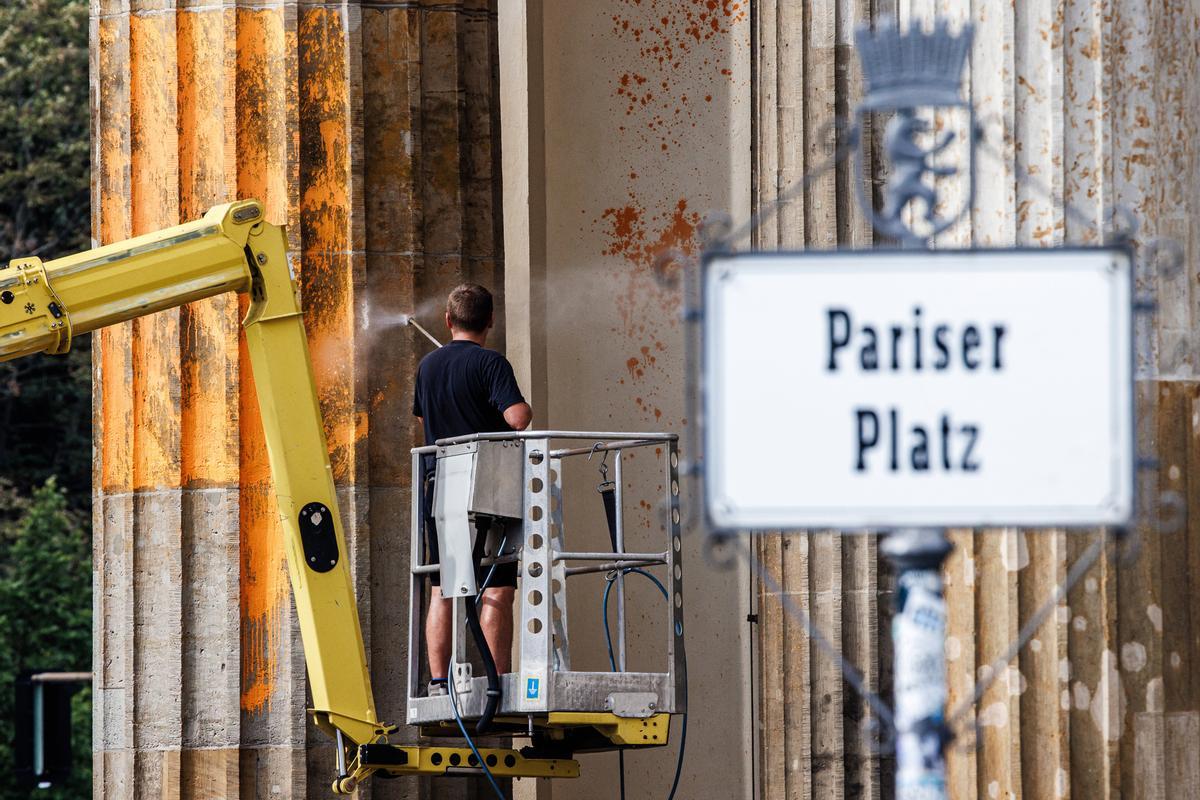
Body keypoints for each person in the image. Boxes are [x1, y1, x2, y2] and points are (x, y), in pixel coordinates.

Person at [413, 283, 532, 695]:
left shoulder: (427, 365)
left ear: (448, 320)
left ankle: (439, 682)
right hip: (487, 487)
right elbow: (517, 418)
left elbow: (422, 419)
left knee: (443, 588)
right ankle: (495, 682)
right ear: (490, 322)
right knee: (496, 587)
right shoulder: (490, 363)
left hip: (440, 485)